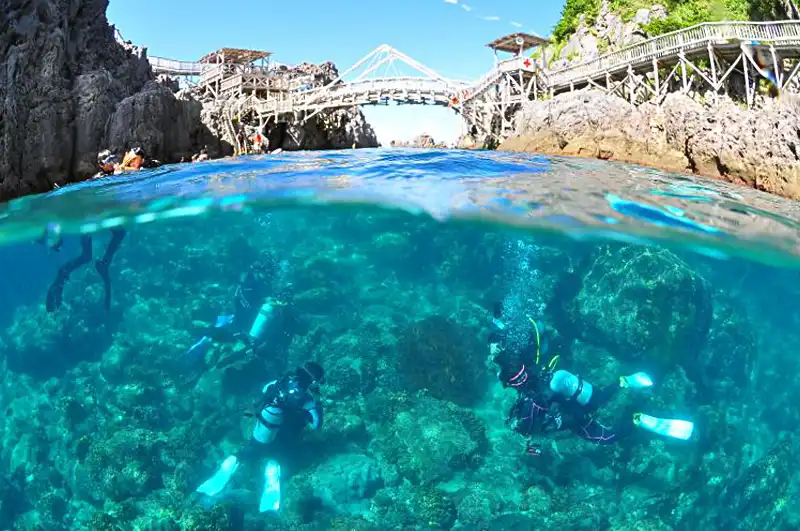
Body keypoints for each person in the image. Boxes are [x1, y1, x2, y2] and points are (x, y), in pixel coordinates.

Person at [488, 305, 694, 456]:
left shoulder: (527, 404)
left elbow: (534, 419)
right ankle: (623, 383)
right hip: (563, 388)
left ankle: (636, 420)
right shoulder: (523, 362)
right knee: (600, 399)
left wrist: (530, 447)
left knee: (607, 437)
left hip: (568, 409)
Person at [196, 361, 325, 512]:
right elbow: (316, 424)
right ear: (312, 381)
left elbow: (264, 391)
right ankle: (271, 477)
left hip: (263, 427)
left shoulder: (281, 381)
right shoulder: (307, 399)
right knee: (278, 460)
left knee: (249, 452)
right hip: (282, 438)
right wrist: (316, 406)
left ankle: (232, 462)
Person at [44, 149, 134, 313]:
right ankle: (64, 273)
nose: (111, 163)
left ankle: (103, 262)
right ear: (100, 165)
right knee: (88, 255)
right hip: (88, 221)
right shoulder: (99, 180)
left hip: (99, 218)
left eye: (112, 159)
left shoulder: (115, 175)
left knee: (118, 233)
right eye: (107, 161)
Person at [184, 256, 294, 364]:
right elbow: (248, 299)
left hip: (241, 314)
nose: (269, 277)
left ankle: (210, 339)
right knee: (228, 332)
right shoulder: (250, 279)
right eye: (269, 274)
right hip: (239, 314)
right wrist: (265, 300)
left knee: (230, 331)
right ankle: (204, 341)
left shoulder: (256, 280)